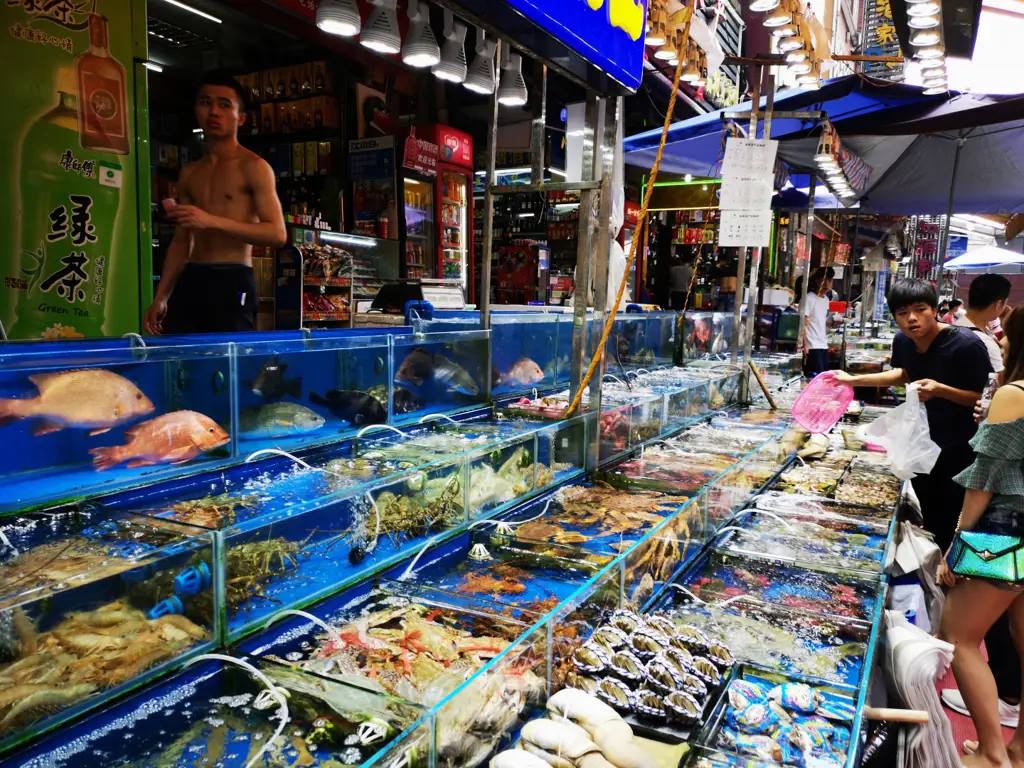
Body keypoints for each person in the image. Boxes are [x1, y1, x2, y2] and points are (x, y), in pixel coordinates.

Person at [834, 278, 992, 548]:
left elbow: (988, 399)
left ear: (935, 309)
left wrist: (942, 390)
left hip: (959, 447)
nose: (912, 319)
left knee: (951, 514)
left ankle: (948, 571)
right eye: (903, 313)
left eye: (920, 309)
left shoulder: (966, 344)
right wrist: (852, 380)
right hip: (920, 442)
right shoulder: (903, 340)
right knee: (926, 511)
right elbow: (904, 374)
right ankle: (929, 568)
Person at [938, 304, 1024, 768]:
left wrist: (957, 541)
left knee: (959, 635)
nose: (1000, 340)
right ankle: (1018, 749)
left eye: (1006, 334)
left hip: (1006, 533)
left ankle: (992, 753)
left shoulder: (1014, 393)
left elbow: (984, 478)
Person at [144, 75, 287, 335]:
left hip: (233, 276)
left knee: (228, 364)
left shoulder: (254, 167)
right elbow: (181, 239)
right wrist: (161, 296)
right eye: (206, 103)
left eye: (224, 105)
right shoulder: (190, 172)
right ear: (196, 111)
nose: (213, 112)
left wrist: (210, 220)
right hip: (192, 276)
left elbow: (277, 234)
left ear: (240, 117)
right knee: (180, 362)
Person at [956, 274, 1011, 378]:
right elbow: (999, 384)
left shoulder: (956, 326)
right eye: (1005, 304)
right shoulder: (984, 342)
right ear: (998, 305)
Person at [803, 267, 835, 378]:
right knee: (815, 378)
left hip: (823, 345)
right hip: (812, 346)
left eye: (829, 280)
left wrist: (833, 323)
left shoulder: (826, 300)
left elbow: (820, 321)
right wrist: (805, 345)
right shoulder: (809, 298)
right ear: (816, 280)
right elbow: (803, 321)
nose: (826, 283)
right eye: (823, 280)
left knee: (823, 378)